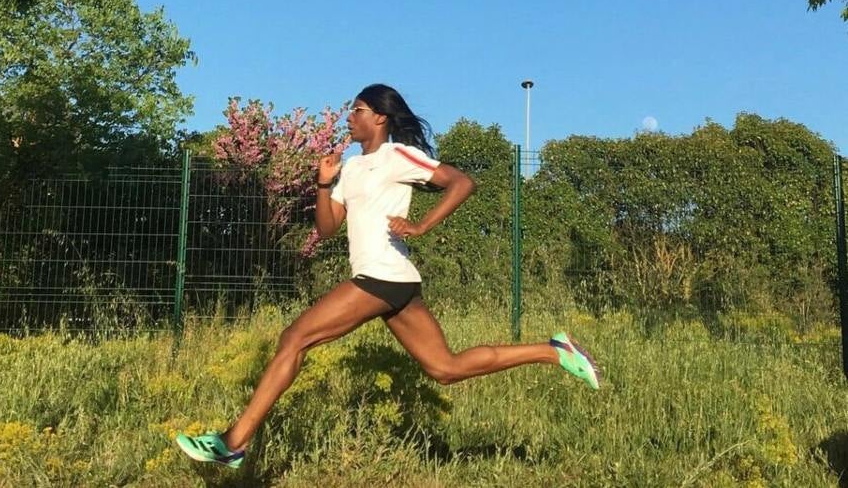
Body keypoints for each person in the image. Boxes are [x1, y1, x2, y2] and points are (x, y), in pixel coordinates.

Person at [176, 84, 599, 469]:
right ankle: (554, 351)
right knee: (444, 368)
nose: (348, 117)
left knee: (295, 337)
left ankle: (234, 441)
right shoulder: (351, 169)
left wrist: (421, 226)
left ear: (379, 116)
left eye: (356, 110)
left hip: (381, 277)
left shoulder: (397, 155)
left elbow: (461, 183)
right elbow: (326, 229)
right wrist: (323, 184)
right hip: (393, 281)